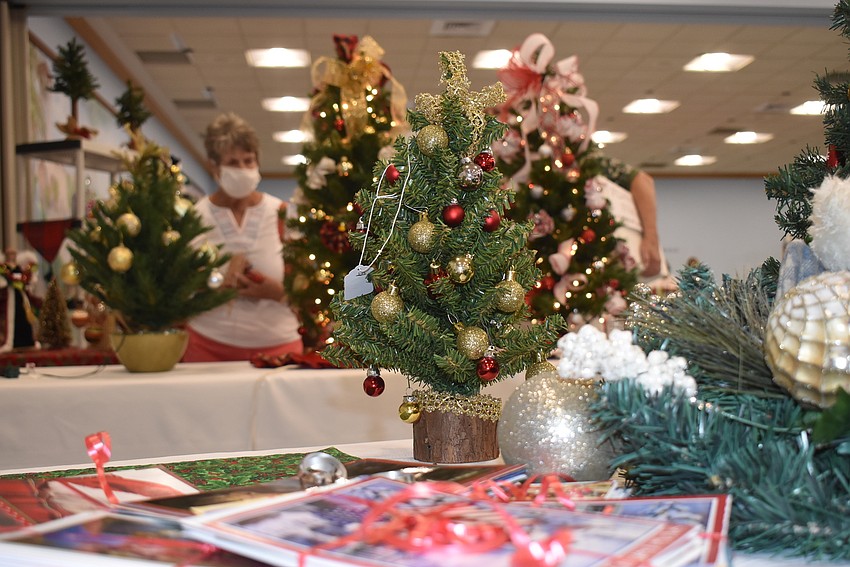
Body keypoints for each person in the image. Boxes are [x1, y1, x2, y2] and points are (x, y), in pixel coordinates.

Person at [182, 112, 303, 362]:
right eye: (233, 163)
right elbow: (180, 286)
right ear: (214, 166)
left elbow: (305, 284)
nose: (243, 169)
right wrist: (216, 286)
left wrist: (276, 291)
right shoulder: (195, 218)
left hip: (279, 347)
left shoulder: (282, 213)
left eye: (249, 161)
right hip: (208, 346)